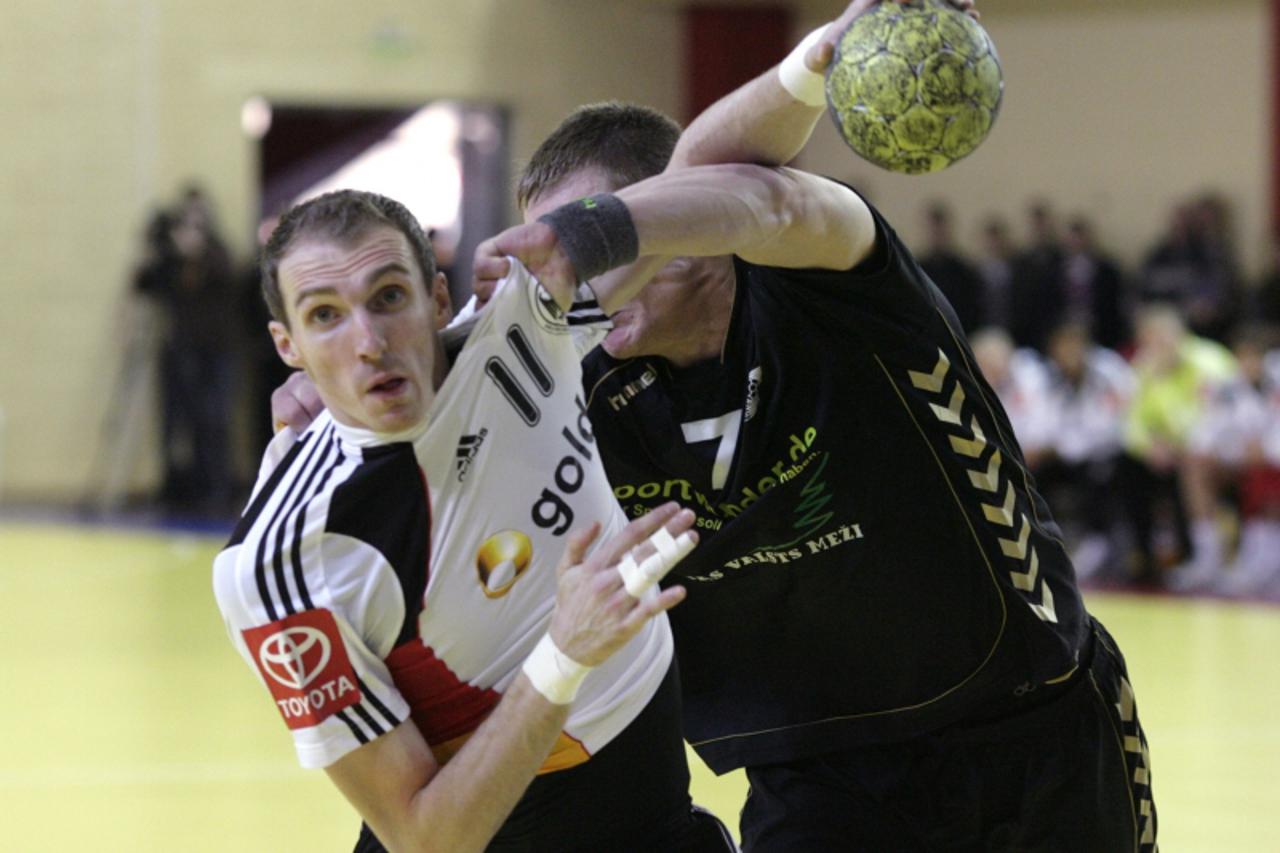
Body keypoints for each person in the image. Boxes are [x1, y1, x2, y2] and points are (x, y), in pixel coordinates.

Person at [468, 2, 1157, 849]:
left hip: (1026, 724)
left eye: (588, 240)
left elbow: (762, 201)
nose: (571, 276)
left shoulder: (834, 282)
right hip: (819, 775)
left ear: (682, 223)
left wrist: (817, 59)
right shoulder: (576, 384)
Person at [214, 190, 735, 852]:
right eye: (325, 316)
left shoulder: (519, 325)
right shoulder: (282, 566)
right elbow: (426, 839)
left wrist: (804, 79)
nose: (369, 343)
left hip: (658, 822)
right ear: (288, 346)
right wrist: (564, 653)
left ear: (435, 299)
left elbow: (704, 175)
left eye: (388, 298)